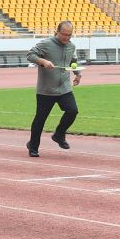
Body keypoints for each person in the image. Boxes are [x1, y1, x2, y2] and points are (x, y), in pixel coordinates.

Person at [25, 21, 81, 156]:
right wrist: (43, 61)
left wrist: (78, 74)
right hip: (46, 90)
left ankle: (59, 135)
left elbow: (72, 61)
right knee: (40, 119)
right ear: (57, 32)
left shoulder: (71, 46)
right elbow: (30, 55)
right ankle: (33, 147)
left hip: (64, 88)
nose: (66, 37)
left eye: (69, 35)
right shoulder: (46, 44)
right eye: (64, 34)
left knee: (72, 111)